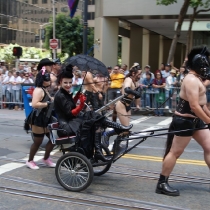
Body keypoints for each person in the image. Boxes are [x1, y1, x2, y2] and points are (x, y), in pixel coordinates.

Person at [155, 46, 210, 196]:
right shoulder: (191, 80)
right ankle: (162, 183)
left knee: (209, 147)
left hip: (196, 121)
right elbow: (193, 105)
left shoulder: (197, 79)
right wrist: (208, 121)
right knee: (175, 152)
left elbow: (202, 104)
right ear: (198, 65)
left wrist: (208, 117)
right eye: (204, 65)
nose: (206, 68)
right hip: (185, 121)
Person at [54, 65, 132, 162]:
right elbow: (70, 113)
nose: (68, 85)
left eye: (70, 82)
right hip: (67, 125)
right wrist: (81, 104)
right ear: (60, 82)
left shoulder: (65, 92)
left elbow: (70, 105)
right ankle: (117, 128)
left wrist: (77, 97)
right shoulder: (60, 95)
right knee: (93, 118)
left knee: (94, 117)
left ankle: (99, 151)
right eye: (65, 83)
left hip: (73, 120)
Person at [103, 64, 141, 147]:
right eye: (139, 74)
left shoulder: (136, 83)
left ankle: (116, 143)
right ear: (134, 74)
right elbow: (127, 89)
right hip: (122, 104)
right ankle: (109, 135)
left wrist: (138, 105)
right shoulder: (128, 79)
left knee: (126, 130)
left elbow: (137, 96)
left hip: (128, 106)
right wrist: (135, 92)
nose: (140, 76)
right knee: (125, 128)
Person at [26, 67, 55, 170]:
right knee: (38, 141)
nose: (49, 81)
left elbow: (50, 100)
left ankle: (46, 158)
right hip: (38, 118)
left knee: (53, 139)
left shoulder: (45, 89)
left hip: (46, 118)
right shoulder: (38, 90)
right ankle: (30, 161)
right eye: (47, 79)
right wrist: (47, 103)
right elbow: (34, 104)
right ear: (42, 80)